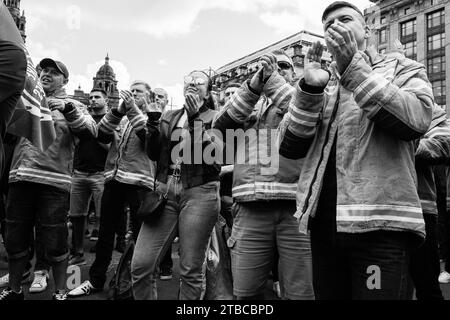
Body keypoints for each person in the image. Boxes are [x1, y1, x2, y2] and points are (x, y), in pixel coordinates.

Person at [277, 1, 434, 299]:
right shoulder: (324, 84)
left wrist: (354, 69)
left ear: (367, 30)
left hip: (381, 229)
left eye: (345, 19)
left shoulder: (402, 67)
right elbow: (288, 146)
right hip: (324, 229)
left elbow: (417, 119)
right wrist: (309, 90)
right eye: (328, 25)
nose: (335, 26)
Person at [213, 50, 314, 300]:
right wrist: (253, 87)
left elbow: (309, 115)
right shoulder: (248, 103)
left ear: (294, 73)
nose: (275, 70)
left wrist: (273, 84)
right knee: (246, 293)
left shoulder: (306, 98)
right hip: (250, 208)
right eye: (268, 66)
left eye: (283, 66)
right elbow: (221, 125)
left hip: (296, 210)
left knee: (301, 293)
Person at [0, 58, 97, 301]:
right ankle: (14, 290)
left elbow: (90, 132)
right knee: (14, 239)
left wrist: (67, 108)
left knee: (54, 242)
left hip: (53, 183)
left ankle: (60, 292)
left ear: (65, 80)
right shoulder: (28, 100)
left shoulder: (74, 104)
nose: (46, 74)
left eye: (54, 72)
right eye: (44, 70)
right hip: (20, 177)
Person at [131, 70, 220, 300]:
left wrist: (194, 119)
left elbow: (213, 162)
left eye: (199, 81)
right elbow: (152, 154)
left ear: (208, 91)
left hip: (201, 194)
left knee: (190, 270)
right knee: (141, 265)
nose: (192, 83)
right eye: (188, 80)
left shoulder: (217, 117)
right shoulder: (169, 116)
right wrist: (152, 121)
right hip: (165, 193)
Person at [68, 81, 157, 298]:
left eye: (138, 92)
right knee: (105, 234)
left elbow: (149, 139)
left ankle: (136, 284)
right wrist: (118, 111)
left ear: (149, 96)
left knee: (140, 237)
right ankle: (96, 280)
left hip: (139, 184)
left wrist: (132, 108)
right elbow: (101, 134)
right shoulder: (122, 117)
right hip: (113, 180)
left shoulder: (156, 118)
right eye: (132, 90)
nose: (133, 94)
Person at [410, 105, 450, 300]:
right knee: (379, 286)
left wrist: (401, 146)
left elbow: (444, 142)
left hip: (420, 209)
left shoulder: (423, 101)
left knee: (427, 286)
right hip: (371, 212)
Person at [68, 88, 110, 266]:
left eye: (97, 97)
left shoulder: (111, 120)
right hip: (79, 172)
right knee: (76, 214)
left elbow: (112, 147)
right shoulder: (82, 119)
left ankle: (101, 251)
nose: (92, 100)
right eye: (91, 97)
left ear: (106, 100)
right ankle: (77, 252)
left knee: (104, 214)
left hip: (100, 173)